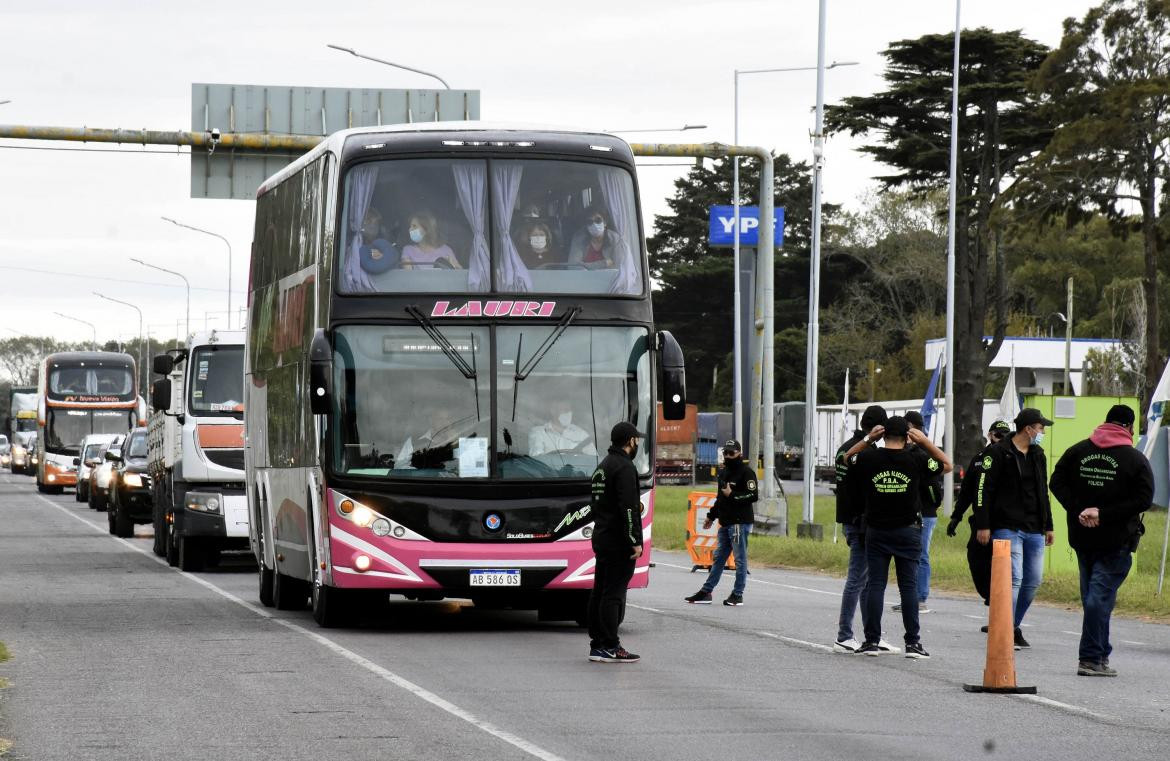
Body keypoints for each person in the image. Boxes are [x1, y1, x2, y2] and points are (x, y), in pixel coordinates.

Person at [1050, 405, 1153, 677]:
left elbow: (1056, 481)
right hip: (1116, 541)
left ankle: (1100, 654)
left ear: (1105, 422)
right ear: (1130, 428)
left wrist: (1079, 509)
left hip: (1083, 537)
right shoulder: (1135, 459)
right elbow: (1144, 499)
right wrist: (1103, 514)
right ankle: (1091, 658)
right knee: (1097, 598)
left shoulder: (1078, 451)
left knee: (1095, 598)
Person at [846, 416, 952, 658]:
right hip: (908, 530)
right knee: (908, 587)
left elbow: (847, 458)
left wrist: (867, 439)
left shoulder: (869, 457)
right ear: (907, 437)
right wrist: (925, 442)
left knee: (875, 585)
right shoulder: (916, 458)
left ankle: (871, 640)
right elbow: (946, 465)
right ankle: (913, 643)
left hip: (877, 530)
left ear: (883, 435)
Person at [972, 408, 1055, 650]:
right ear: (1028, 429)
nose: (1042, 433)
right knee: (1014, 578)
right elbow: (982, 490)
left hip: (1034, 528)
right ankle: (1004, 631)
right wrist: (983, 524)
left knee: (1033, 580)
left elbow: (1043, 491)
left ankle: (1010, 626)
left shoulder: (1038, 454)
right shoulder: (998, 453)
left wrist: (1048, 524)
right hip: (1006, 527)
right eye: (1041, 428)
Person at [833, 404, 893, 653]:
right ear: (878, 428)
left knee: (867, 580)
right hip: (859, 522)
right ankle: (844, 635)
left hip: (851, 519)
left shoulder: (847, 446)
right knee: (857, 579)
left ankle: (872, 636)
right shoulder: (858, 450)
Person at [587, 421, 645, 663]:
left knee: (600, 591)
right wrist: (635, 540)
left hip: (602, 536)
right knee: (614, 594)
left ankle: (598, 643)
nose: (638, 443)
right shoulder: (625, 467)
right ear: (630, 441)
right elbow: (629, 509)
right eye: (637, 440)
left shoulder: (602, 467)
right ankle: (611, 645)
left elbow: (597, 504)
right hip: (619, 541)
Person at [684, 439, 758, 606]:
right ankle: (706, 592)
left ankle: (737, 594)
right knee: (718, 559)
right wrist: (711, 516)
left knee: (740, 559)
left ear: (739, 453)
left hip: (740, 522)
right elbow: (720, 498)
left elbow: (753, 495)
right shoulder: (724, 473)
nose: (728, 456)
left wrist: (732, 495)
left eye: (731, 453)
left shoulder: (747, 473)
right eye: (725, 453)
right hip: (726, 523)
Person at [947, 420, 1013, 605]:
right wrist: (956, 516)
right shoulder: (979, 459)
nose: (1002, 439)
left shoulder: (1013, 457)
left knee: (1003, 567)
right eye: (999, 435)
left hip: (1005, 521)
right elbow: (967, 491)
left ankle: (1003, 613)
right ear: (990, 435)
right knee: (976, 559)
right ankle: (990, 596)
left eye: (1006, 435)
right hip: (981, 520)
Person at [895, 410, 944, 614]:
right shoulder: (911, 451)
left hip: (926, 511)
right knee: (910, 555)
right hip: (912, 511)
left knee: (921, 555)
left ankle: (920, 598)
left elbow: (940, 472)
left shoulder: (924, 452)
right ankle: (910, 597)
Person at [528, 399, 595, 457]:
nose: (569, 413)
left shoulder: (581, 434)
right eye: (565, 410)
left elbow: (594, 459)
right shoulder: (539, 432)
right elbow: (537, 459)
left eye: (570, 410)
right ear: (553, 411)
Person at [358, 207, 399, 274]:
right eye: (368, 220)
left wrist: (384, 258)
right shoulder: (352, 249)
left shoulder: (385, 246)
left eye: (376, 222)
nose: (373, 225)